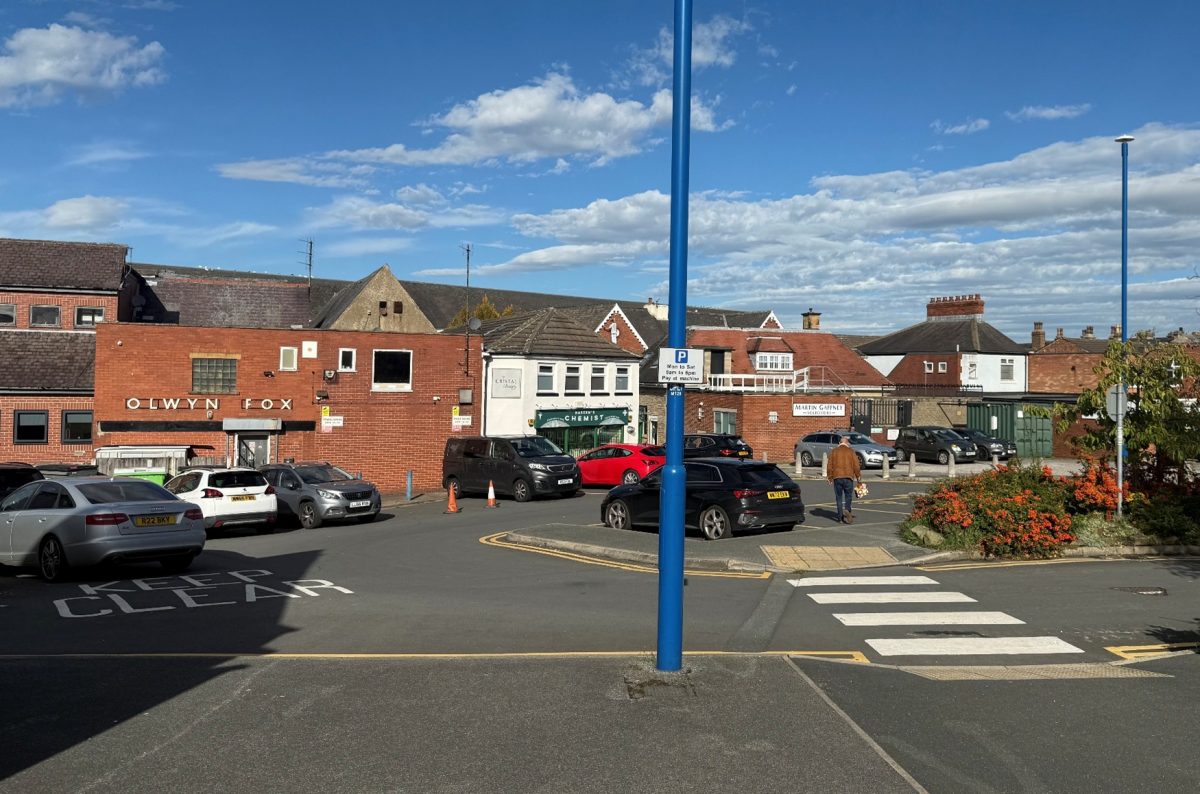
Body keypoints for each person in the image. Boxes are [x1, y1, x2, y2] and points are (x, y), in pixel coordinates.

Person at [826, 435, 861, 524]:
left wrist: (830, 477)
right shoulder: (851, 451)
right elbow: (856, 465)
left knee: (838, 497)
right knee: (848, 496)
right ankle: (847, 509)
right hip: (848, 477)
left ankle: (840, 517)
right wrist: (858, 477)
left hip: (837, 477)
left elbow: (829, 466)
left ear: (839, 443)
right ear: (847, 443)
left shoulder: (834, 451)